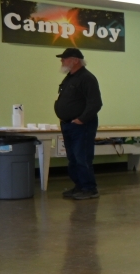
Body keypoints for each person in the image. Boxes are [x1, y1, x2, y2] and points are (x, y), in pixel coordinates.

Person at [54, 48, 103, 200]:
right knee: (73, 158)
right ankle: (79, 186)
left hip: (82, 125)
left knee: (82, 157)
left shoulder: (87, 78)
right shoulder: (70, 78)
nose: (62, 61)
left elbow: (95, 103)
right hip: (68, 124)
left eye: (64, 58)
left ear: (75, 60)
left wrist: (81, 119)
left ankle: (89, 188)